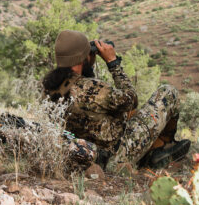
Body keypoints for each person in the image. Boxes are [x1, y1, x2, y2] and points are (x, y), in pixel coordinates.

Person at [42, 29, 190, 171]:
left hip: (84, 152)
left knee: (128, 113)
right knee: (168, 92)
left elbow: (87, 98)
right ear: (82, 58)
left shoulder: (48, 88)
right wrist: (113, 63)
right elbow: (131, 99)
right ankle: (161, 148)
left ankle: (154, 151)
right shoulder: (96, 89)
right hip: (115, 157)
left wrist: (87, 63)